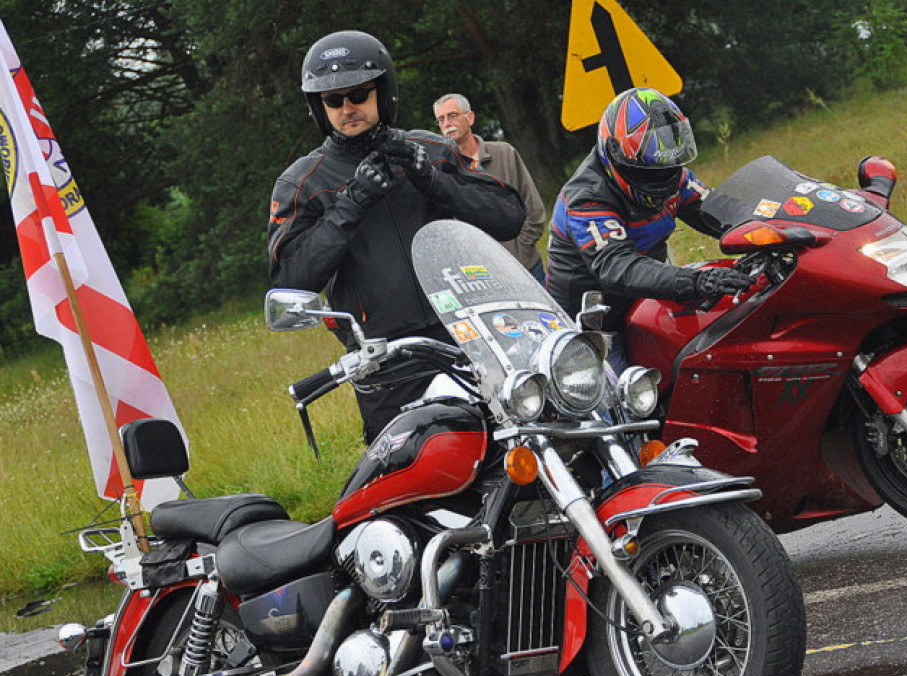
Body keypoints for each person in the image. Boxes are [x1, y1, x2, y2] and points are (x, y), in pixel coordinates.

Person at [268, 30, 525, 443]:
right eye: (333, 101)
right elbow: (290, 281)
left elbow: (509, 216)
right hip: (386, 363)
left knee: (517, 462)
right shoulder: (303, 181)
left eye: (358, 95)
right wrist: (352, 203)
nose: (347, 108)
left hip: (470, 341)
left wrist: (433, 181)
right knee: (420, 480)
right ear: (318, 107)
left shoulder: (431, 149)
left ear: (382, 93)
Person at [546, 87, 753, 373]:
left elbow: (717, 209)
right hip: (595, 326)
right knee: (623, 406)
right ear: (616, 155)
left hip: (644, 301)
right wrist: (697, 281)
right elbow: (618, 267)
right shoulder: (587, 197)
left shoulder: (673, 176)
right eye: (648, 170)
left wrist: (767, 228)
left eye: (667, 166)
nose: (661, 176)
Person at [432, 93, 547, 283]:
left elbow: (533, 209)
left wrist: (521, 251)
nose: (446, 124)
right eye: (441, 119)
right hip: (482, 279)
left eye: (452, 115)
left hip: (526, 268)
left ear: (470, 118)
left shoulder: (504, 153)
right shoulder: (441, 171)